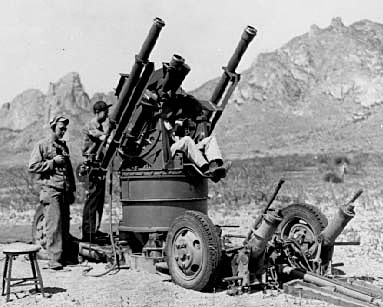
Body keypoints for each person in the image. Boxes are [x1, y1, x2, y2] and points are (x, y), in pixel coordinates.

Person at [28, 115, 76, 270]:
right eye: (61, 128)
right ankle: (54, 259)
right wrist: (52, 162)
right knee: (53, 225)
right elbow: (33, 166)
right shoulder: (42, 145)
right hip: (50, 190)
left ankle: (63, 256)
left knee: (64, 225)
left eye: (65, 129)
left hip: (63, 190)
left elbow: (69, 171)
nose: (63, 131)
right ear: (53, 127)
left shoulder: (63, 147)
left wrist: (71, 190)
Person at [81, 100, 112, 243]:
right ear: (98, 112)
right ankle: (88, 233)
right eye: (105, 111)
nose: (107, 114)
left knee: (98, 201)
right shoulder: (91, 126)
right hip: (90, 166)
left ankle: (94, 230)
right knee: (92, 200)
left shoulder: (98, 126)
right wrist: (110, 135)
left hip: (97, 166)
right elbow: (102, 137)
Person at [165, 118, 230, 182]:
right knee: (187, 140)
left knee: (210, 139)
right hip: (170, 150)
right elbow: (168, 133)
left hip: (184, 146)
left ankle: (215, 165)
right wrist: (175, 126)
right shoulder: (164, 121)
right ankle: (205, 168)